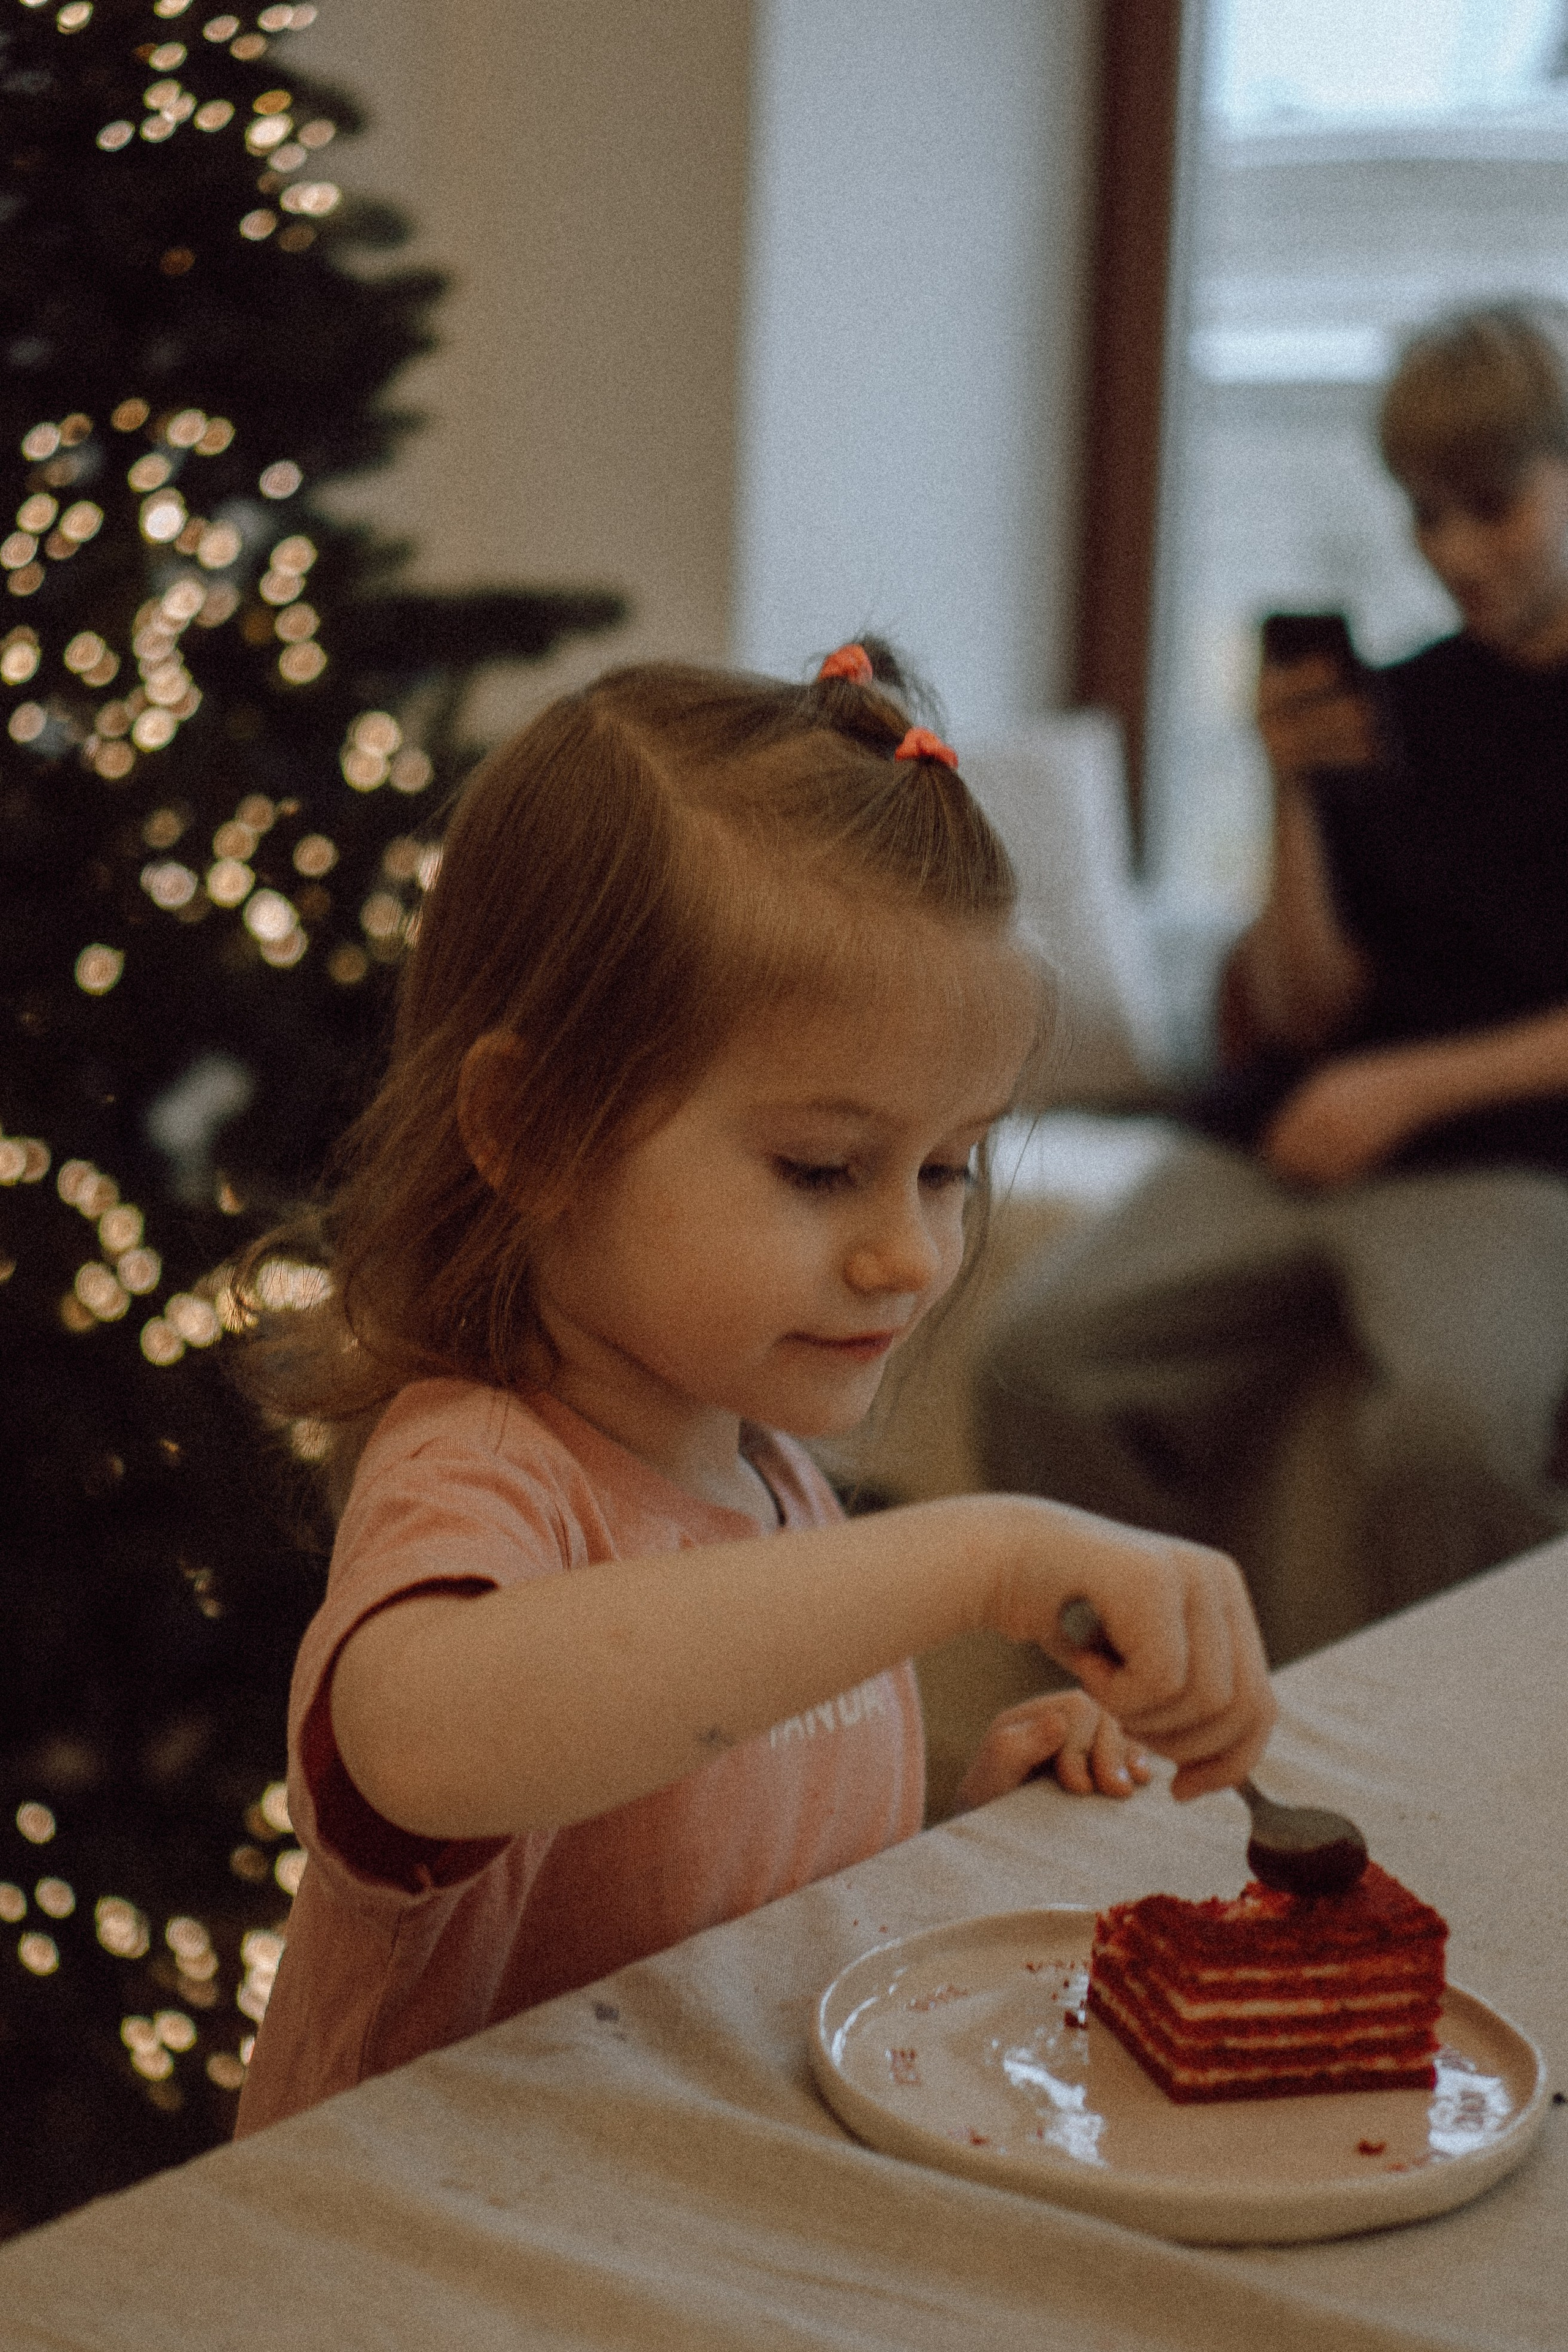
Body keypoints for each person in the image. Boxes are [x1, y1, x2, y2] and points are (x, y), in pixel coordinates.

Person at [232, 641, 1274, 2135]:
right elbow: (415, 1739)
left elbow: (736, 1905)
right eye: (818, 1168)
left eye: (946, 1168)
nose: (908, 1255)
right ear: (527, 1130)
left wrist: (965, 1826)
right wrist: (967, 1554)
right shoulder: (479, 1471)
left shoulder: (771, 1479)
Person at [978, 301, 1568, 1639]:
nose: (1452, 552)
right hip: (1291, 1130)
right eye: (1422, 514)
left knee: (1451, 1435)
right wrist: (1288, 792)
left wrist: (1402, 1093)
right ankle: (1142, 1721)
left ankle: (1446, 1782)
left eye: (1489, 504)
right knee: (1034, 1361)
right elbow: (1305, 1005)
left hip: (1509, 1156)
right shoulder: (1403, 704)